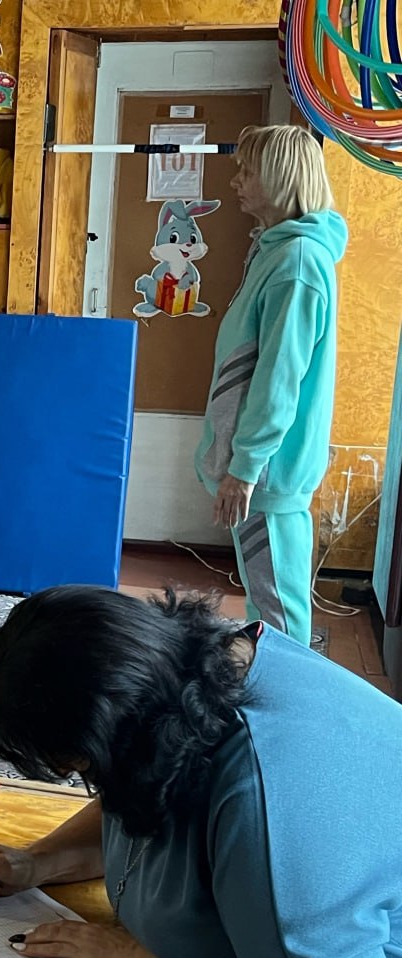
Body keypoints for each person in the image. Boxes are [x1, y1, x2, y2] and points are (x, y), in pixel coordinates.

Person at [0, 585, 402, 958]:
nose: (84, 779)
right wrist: (37, 862)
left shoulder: (272, 817)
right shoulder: (188, 677)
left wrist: (132, 957)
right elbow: (141, 805)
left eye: (81, 765)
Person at [196, 124, 347, 646]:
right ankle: (275, 680)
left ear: (281, 178)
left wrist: (245, 468)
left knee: (279, 609)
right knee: (269, 598)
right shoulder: (276, 251)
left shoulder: (296, 263)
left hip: (269, 471)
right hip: (263, 467)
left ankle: (288, 690)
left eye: (248, 171)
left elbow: (279, 377)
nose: (236, 181)